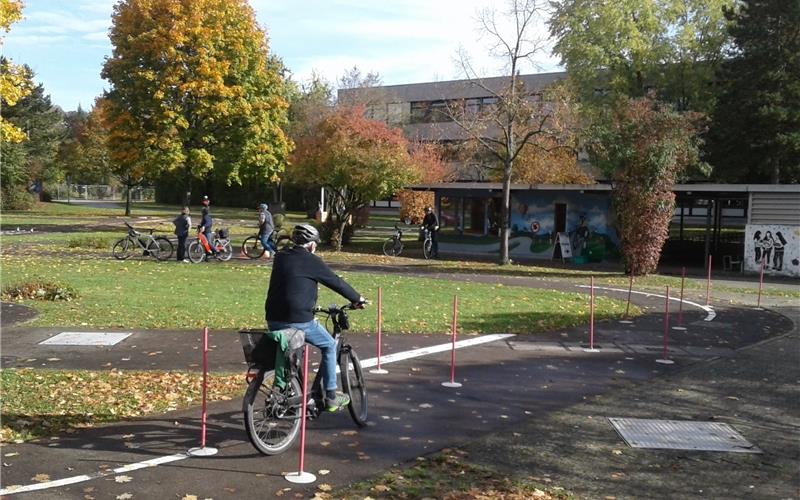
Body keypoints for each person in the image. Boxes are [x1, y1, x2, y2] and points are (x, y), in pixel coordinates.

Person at [264, 223, 367, 412]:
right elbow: (336, 281)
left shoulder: (281, 257)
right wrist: (357, 298)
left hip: (273, 319)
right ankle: (330, 396)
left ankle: (291, 389)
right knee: (329, 345)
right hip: (298, 321)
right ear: (311, 245)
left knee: (295, 349)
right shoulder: (311, 260)